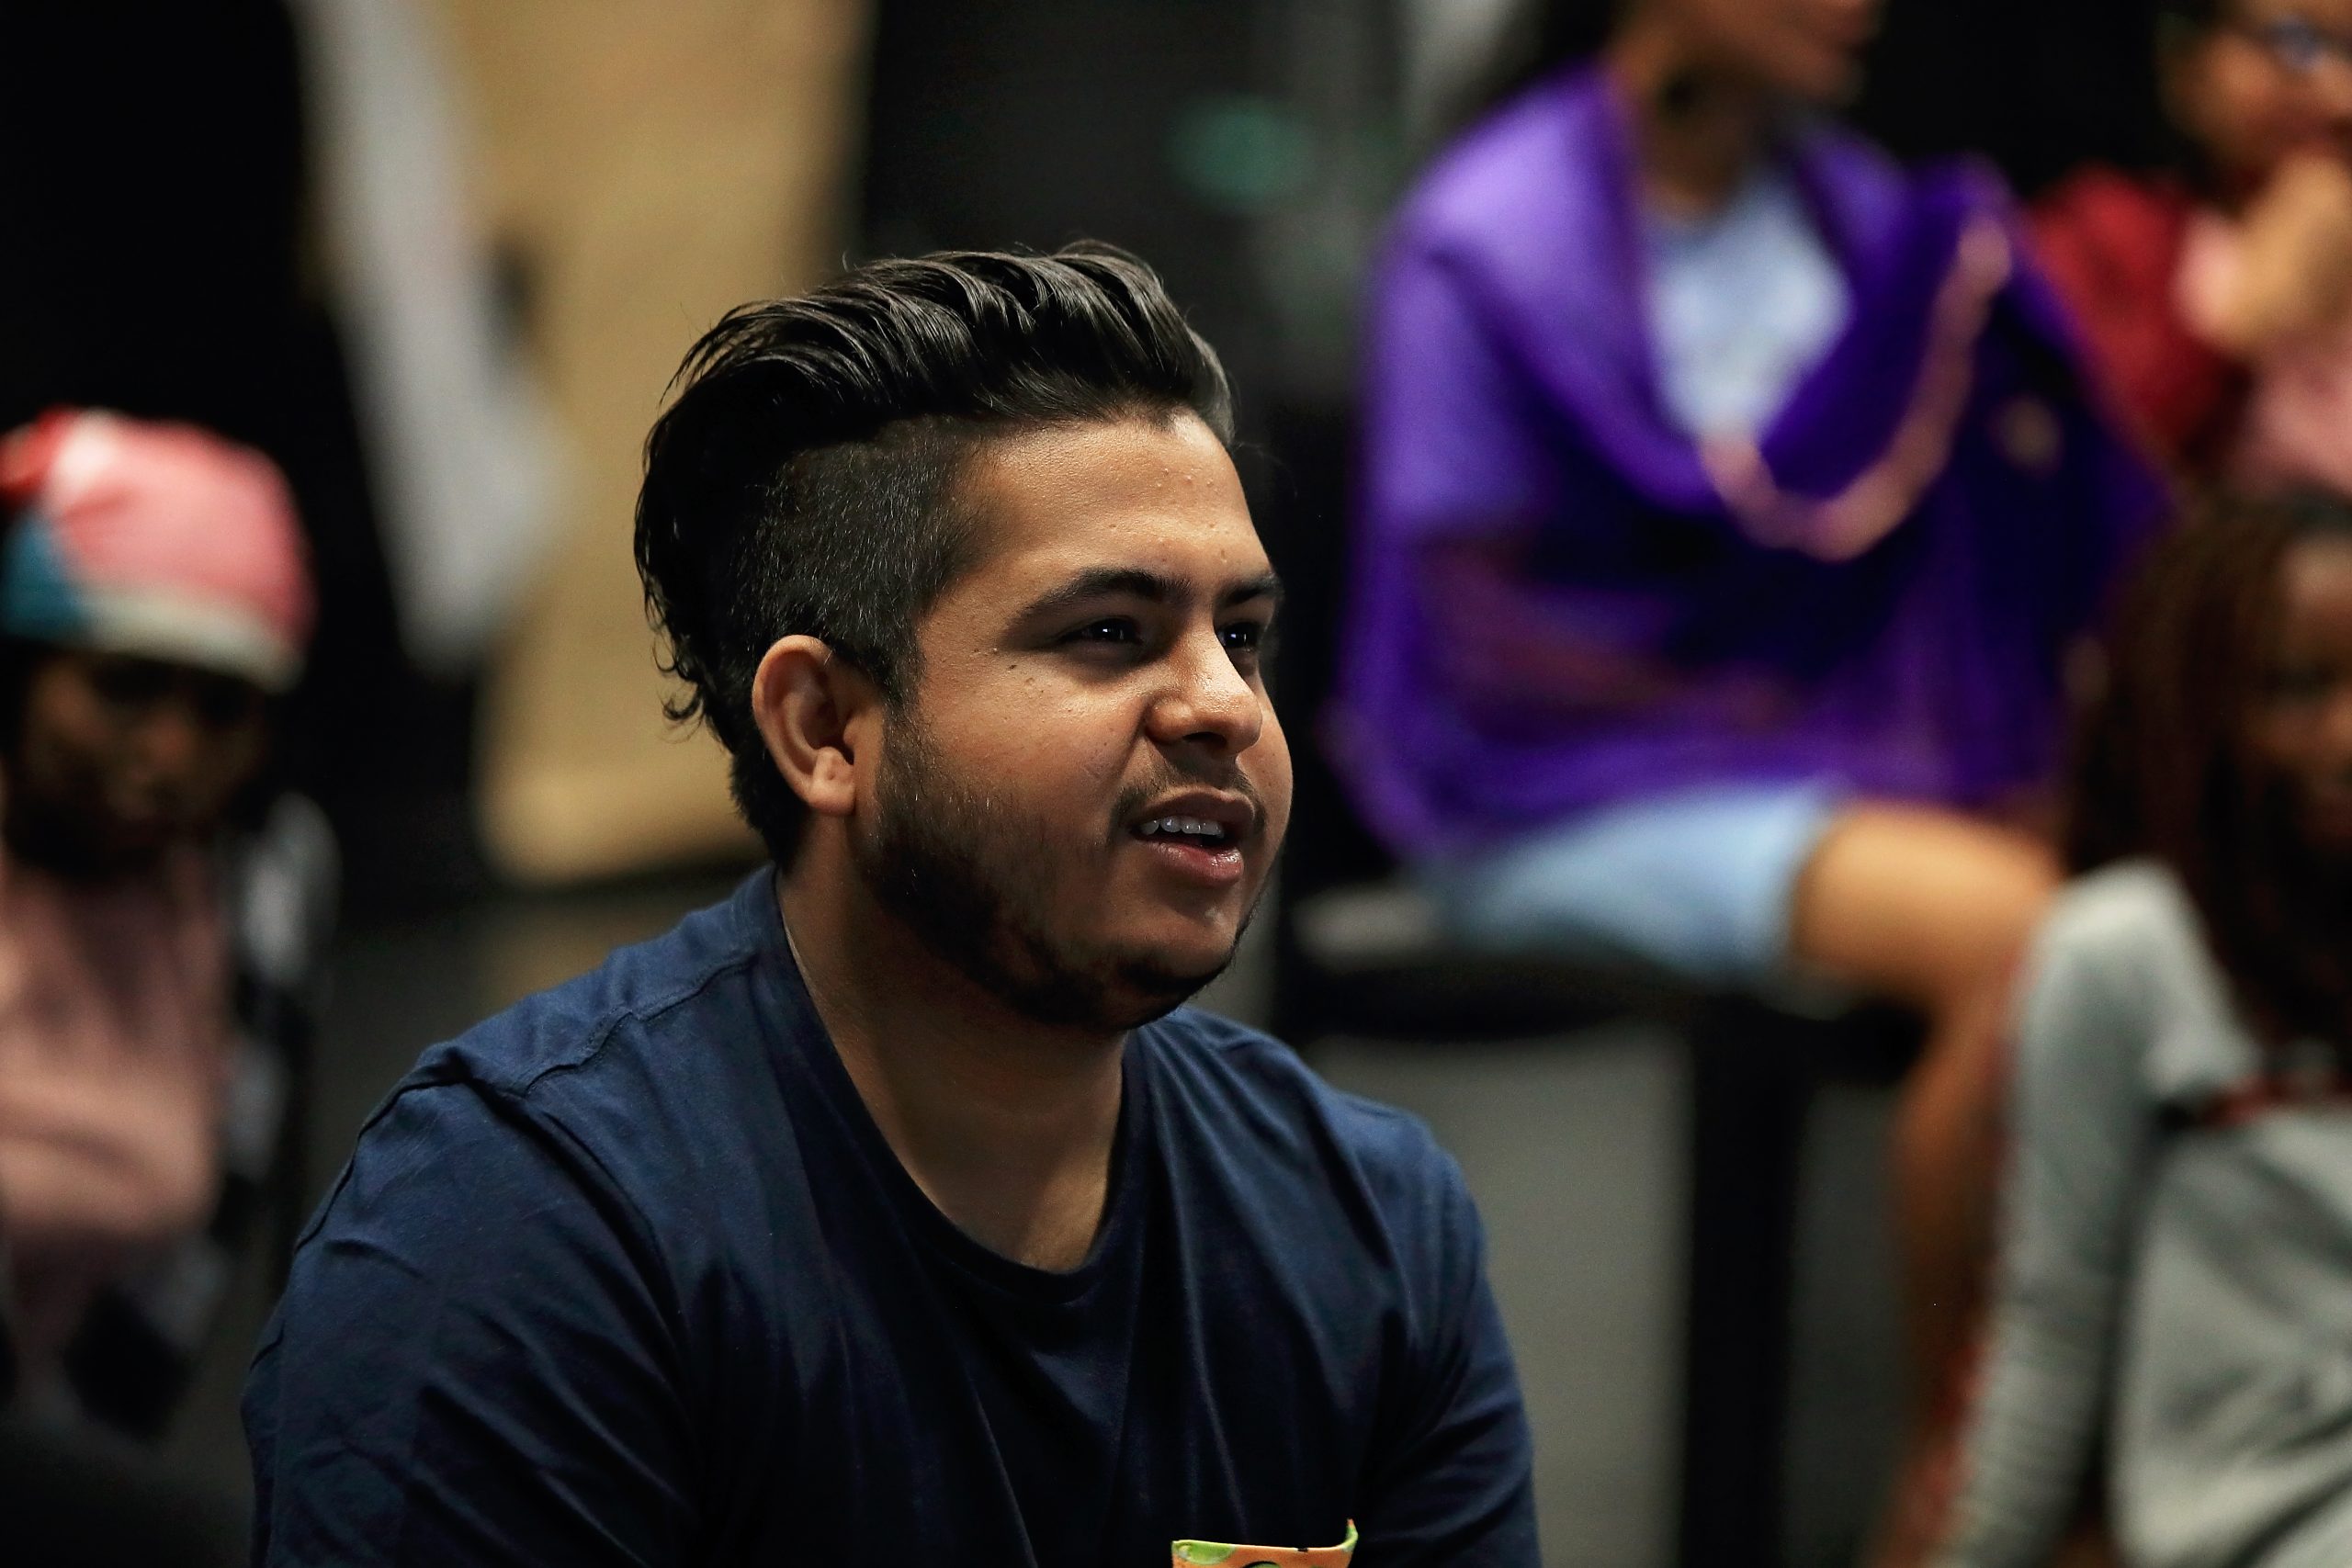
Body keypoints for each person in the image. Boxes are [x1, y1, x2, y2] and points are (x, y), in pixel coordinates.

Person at [243, 247, 1540, 1567]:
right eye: (1108, 631)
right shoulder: (519, 1236)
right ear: (824, 727)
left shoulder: (1370, 1227)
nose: (1223, 703)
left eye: (1242, 634)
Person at [1338, 0, 2167, 1453]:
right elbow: (1480, 643)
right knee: (2030, 936)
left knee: (2149, 887)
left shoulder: (1851, 206)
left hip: (1814, 763)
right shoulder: (1484, 239)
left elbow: (1921, 538)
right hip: (1547, 791)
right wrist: (1775, 716)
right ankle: (1970, 1486)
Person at [1915, 492, 2352, 1567]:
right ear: (2196, 713)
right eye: (2295, 689)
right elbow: (2053, 1326)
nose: (2346, 735)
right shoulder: (2125, 953)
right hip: (2262, 1525)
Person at [0, 408, 327, 1427]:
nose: (172, 754)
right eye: (124, 685)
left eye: (221, 706)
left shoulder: (260, 888)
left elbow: (222, 1233)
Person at [2033, 0, 2352, 493]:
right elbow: (2067, 475)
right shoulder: (2103, 234)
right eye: (2294, 42)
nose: (2337, 92)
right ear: (2184, 65)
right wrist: (2240, 325)